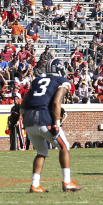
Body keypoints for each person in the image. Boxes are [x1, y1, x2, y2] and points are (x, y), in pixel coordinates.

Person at [20, 58, 79, 192]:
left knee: (41, 152)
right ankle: (67, 181)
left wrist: (25, 119)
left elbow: (23, 103)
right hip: (44, 118)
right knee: (64, 146)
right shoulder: (62, 81)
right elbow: (56, 102)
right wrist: (57, 123)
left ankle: (35, 184)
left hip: (29, 120)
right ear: (60, 69)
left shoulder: (36, 81)